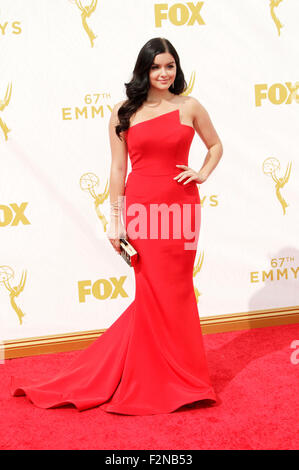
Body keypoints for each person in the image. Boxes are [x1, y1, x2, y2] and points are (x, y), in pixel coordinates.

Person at [10, 37, 223, 415]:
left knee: (176, 290)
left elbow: (215, 146)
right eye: (156, 66)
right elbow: (116, 168)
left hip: (181, 207)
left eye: (169, 66)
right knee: (152, 289)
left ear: (177, 68)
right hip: (141, 208)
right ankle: (152, 375)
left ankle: (186, 376)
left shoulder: (190, 106)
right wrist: (115, 221)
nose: (163, 73)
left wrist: (202, 174)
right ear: (144, 69)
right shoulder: (124, 112)